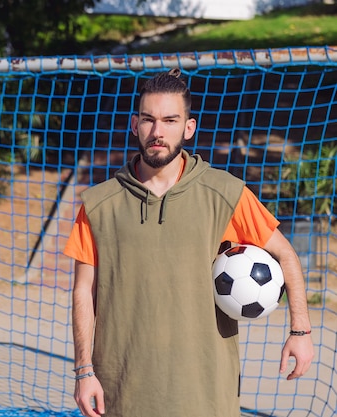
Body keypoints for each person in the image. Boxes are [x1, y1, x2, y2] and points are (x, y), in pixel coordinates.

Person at [63, 68, 314, 417]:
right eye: (149, 120)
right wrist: (83, 371)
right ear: (134, 124)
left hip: (206, 396)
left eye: (170, 120)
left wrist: (300, 331)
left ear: (189, 127)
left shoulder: (225, 193)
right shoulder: (98, 204)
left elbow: (286, 255)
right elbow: (82, 292)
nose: (158, 131)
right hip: (121, 394)